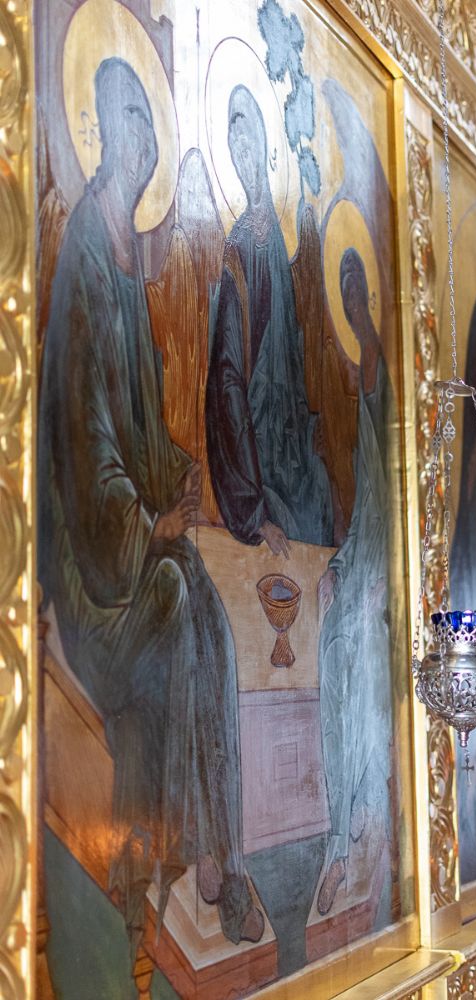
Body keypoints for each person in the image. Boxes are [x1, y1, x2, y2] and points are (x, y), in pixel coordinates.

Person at [38, 58, 263, 955]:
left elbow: (137, 431)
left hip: (131, 539)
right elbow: (85, 448)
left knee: (206, 606)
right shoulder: (84, 259)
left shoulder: (125, 259)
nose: (144, 145)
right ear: (103, 130)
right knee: (171, 597)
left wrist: (179, 475)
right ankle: (162, 853)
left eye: (150, 128)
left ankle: (216, 857)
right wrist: (144, 525)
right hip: (92, 571)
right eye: (133, 124)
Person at [206, 85, 333, 554]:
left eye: (248, 133)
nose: (242, 147)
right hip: (258, 457)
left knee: (319, 502)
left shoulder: (277, 240)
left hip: (289, 444)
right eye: (232, 136)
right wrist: (255, 511)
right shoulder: (237, 249)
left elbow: (293, 356)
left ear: (264, 143)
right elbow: (227, 378)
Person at [316, 248, 394, 915]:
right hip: (363, 561)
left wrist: (386, 578)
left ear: (367, 296)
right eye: (339, 292)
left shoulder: (385, 377)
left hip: (389, 572)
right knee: (330, 652)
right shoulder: (358, 378)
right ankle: (339, 835)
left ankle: (355, 832)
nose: (348, 300)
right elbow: (365, 508)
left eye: (353, 288)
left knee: (363, 661)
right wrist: (339, 569)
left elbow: (400, 500)